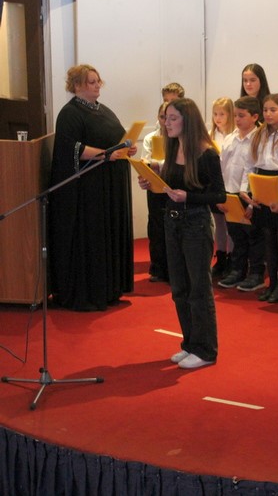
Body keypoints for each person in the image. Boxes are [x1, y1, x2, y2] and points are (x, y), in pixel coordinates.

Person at [139, 98, 225, 370]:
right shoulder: (173, 146)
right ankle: (190, 344)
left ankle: (205, 350)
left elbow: (219, 195)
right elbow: (169, 185)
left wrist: (189, 196)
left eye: (173, 118)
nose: (167, 123)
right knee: (179, 289)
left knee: (199, 289)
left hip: (196, 223)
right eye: (166, 118)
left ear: (188, 121)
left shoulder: (207, 153)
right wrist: (152, 181)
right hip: (172, 221)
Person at [48, 64, 137, 311]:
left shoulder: (103, 109)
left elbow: (117, 139)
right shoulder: (70, 113)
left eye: (99, 81)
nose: (98, 85)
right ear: (77, 85)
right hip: (88, 191)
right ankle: (90, 292)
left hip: (108, 186)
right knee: (92, 239)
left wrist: (127, 148)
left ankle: (110, 288)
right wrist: (106, 155)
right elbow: (71, 148)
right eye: (92, 82)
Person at [241, 94, 278, 304]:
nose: (268, 114)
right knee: (267, 236)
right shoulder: (259, 134)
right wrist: (245, 192)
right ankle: (271, 283)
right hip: (261, 183)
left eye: (273, 110)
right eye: (265, 110)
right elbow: (249, 165)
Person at [217, 97, 265, 291]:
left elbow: (257, 171)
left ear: (254, 117)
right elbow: (221, 167)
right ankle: (237, 270)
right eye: (236, 115)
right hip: (230, 193)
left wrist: (253, 203)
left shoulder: (259, 139)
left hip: (249, 196)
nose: (237, 119)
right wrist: (220, 195)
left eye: (242, 116)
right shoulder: (231, 138)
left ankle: (256, 273)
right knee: (236, 235)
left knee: (253, 236)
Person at [142, 101, 170, 283]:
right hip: (154, 187)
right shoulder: (150, 138)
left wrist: (157, 164)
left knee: (173, 229)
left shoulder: (181, 137)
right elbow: (146, 163)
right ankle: (158, 268)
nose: (165, 121)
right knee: (156, 228)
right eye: (162, 117)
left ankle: (174, 268)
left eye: (169, 117)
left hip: (173, 187)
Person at [208, 97, 235, 277]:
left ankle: (233, 257)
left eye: (222, 114)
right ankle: (221, 255)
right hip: (215, 184)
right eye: (215, 114)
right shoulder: (211, 135)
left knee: (230, 223)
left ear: (230, 115)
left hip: (230, 183)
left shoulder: (234, 135)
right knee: (219, 223)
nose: (218, 118)